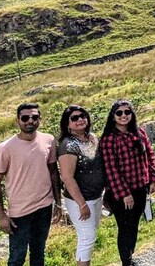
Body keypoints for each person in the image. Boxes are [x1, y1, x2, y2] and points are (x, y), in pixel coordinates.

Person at [0, 103, 62, 266]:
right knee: (17, 258)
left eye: (35, 117)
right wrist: (1, 215)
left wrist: (58, 203)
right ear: (17, 120)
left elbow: (53, 172)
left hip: (44, 207)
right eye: (25, 118)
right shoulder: (6, 148)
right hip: (19, 213)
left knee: (38, 252)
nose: (30, 121)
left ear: (40, 119)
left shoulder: (49, 140)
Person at [100, 100, 155, 266]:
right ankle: (126, 261)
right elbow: (110, 169)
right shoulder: (109, 139)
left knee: (134, 225)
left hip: (141, 187)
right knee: (125, 228)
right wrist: (125, 194)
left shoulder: (139, 132)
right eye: (119, 113)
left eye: (127, 112)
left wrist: (152, 179)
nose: (123, 116)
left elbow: (150, 156)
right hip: (120, 194)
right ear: (113, 116)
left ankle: (130, 257)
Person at [57, 105, 104, 266]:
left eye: (83, 116)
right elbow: (67, 177)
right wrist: (82, 203)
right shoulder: (68, 145)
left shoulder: (91, 138)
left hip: (96, 196)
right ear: (67, 124)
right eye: (74, 118)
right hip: (80, 200)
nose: (80, 120)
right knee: (87, 238)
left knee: (89, 236)